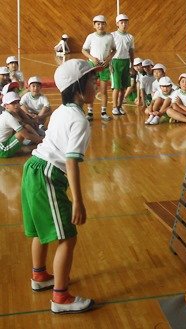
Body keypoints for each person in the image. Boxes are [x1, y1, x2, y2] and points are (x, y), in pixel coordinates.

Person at [21, 59, 99, 313]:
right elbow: (71, 162)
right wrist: (78, 200)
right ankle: (60, 298)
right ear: (77, 87)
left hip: (33, 168)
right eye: (91, 80)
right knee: (67, 237)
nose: (97, 84)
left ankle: (39, 275)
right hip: (47, 175)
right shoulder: (79, 120)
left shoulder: (61, 110)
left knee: (40, 232)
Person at [82, 14, 116, 121]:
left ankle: (103, 112)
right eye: (98, 24)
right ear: (94, 25)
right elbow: (84, 50)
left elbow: (114, 50)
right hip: (92, 65)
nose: (100, 26)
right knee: (90, 88)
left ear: (105, 25)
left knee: (103, 90)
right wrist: (92, 58)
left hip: (104, 66)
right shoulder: (90, 37)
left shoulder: (110, 37)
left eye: (102, 24)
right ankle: (90, 112)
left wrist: (108, 59)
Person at [0, 92, 43, 158]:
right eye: (13, 103)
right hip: (2, 149)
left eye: (17, 102)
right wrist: (43, 141)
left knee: (23, 128)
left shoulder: (9, 113)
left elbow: (26, 123)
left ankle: (37, 142)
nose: (16, 105)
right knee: (22, 132)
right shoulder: (8, 117)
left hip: (3, 143)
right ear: (5, 106)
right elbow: (27, 136)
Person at [111, 14, 135, 116]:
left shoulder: (130, 37)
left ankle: (120, 106)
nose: (124, 24)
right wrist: (109, 64)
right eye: (121, 22)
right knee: (116, 87)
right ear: (117, 24)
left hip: (126, 62)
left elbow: (131, 52)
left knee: (123, 87)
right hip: (115, 62)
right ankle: (114, 107)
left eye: (125, 22)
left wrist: (132, 65)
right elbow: (109, 51)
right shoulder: (112, 35)